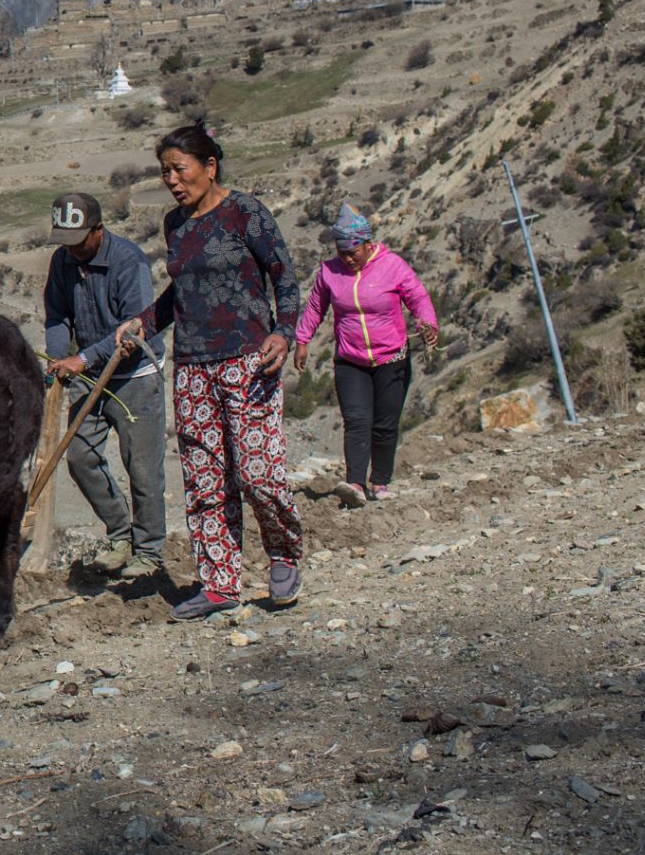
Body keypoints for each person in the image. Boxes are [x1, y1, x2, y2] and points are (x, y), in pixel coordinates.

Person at [112, 123, 306, 620]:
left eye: (179, 169)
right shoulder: (175, 224)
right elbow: (179, 296)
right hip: (193, 367)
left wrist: (283, 331)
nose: (172, 181)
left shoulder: (245, 213)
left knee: (259, 474)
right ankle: (219, 583)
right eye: (165, 173)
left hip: (249, 359)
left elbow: (284, 277)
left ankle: (283, 555)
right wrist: (142, 323)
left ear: (209, 166)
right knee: (205, 479)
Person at [41, 191, 167, 582]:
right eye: (65, 241)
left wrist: (83, 358)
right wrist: (58, 358)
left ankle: (148, 552)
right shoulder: (63, 261)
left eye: (78, 241)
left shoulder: (128, 262)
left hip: (134, 375)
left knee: (142, 469)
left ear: (98, 229)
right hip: (91, 374)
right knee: (80, 458)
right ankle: (120, 533)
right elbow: (57, 315)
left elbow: (134, 326)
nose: (71, 250)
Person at [293, 202, 438, 503]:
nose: (348, 259)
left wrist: (427, 323)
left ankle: (380, 482)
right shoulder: (329, 272)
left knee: (384, 424)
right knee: (357, 420)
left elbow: (418, 297)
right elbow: (316, 307)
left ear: (368, 244)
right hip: (351, 360)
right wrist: (302, 340)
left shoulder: (393, 266)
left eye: (353, 252)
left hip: (391, 358)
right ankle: (355, 485)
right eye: (342, 253)